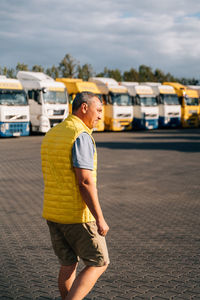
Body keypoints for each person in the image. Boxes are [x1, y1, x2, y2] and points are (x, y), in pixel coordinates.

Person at [41, 92, 109, 300]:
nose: (100, 116)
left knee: (68, 263)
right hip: (77, 216)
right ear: (84, 108)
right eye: (98, 110)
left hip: (53, 214)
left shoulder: (53, 133)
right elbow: (85, 182)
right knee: (99, 262)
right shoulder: (81, 135)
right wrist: (99, 218)